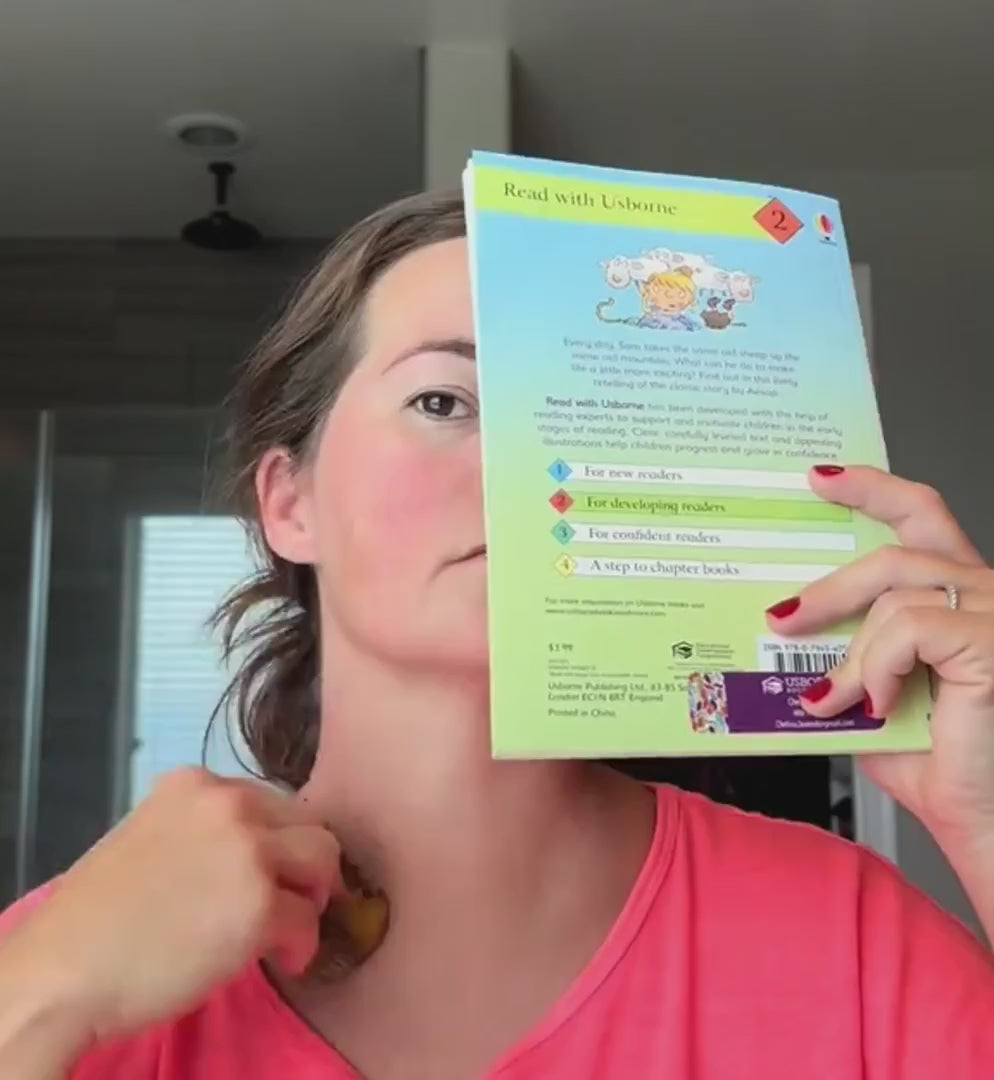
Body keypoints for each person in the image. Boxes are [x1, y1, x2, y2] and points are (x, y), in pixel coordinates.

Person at [1, 190, 993, 1079]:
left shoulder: (852, 938)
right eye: (444, 402)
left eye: (585, 418)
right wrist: (42, 1000)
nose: (528, 470)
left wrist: (986, 820)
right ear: (289, 503)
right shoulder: (62, 967)